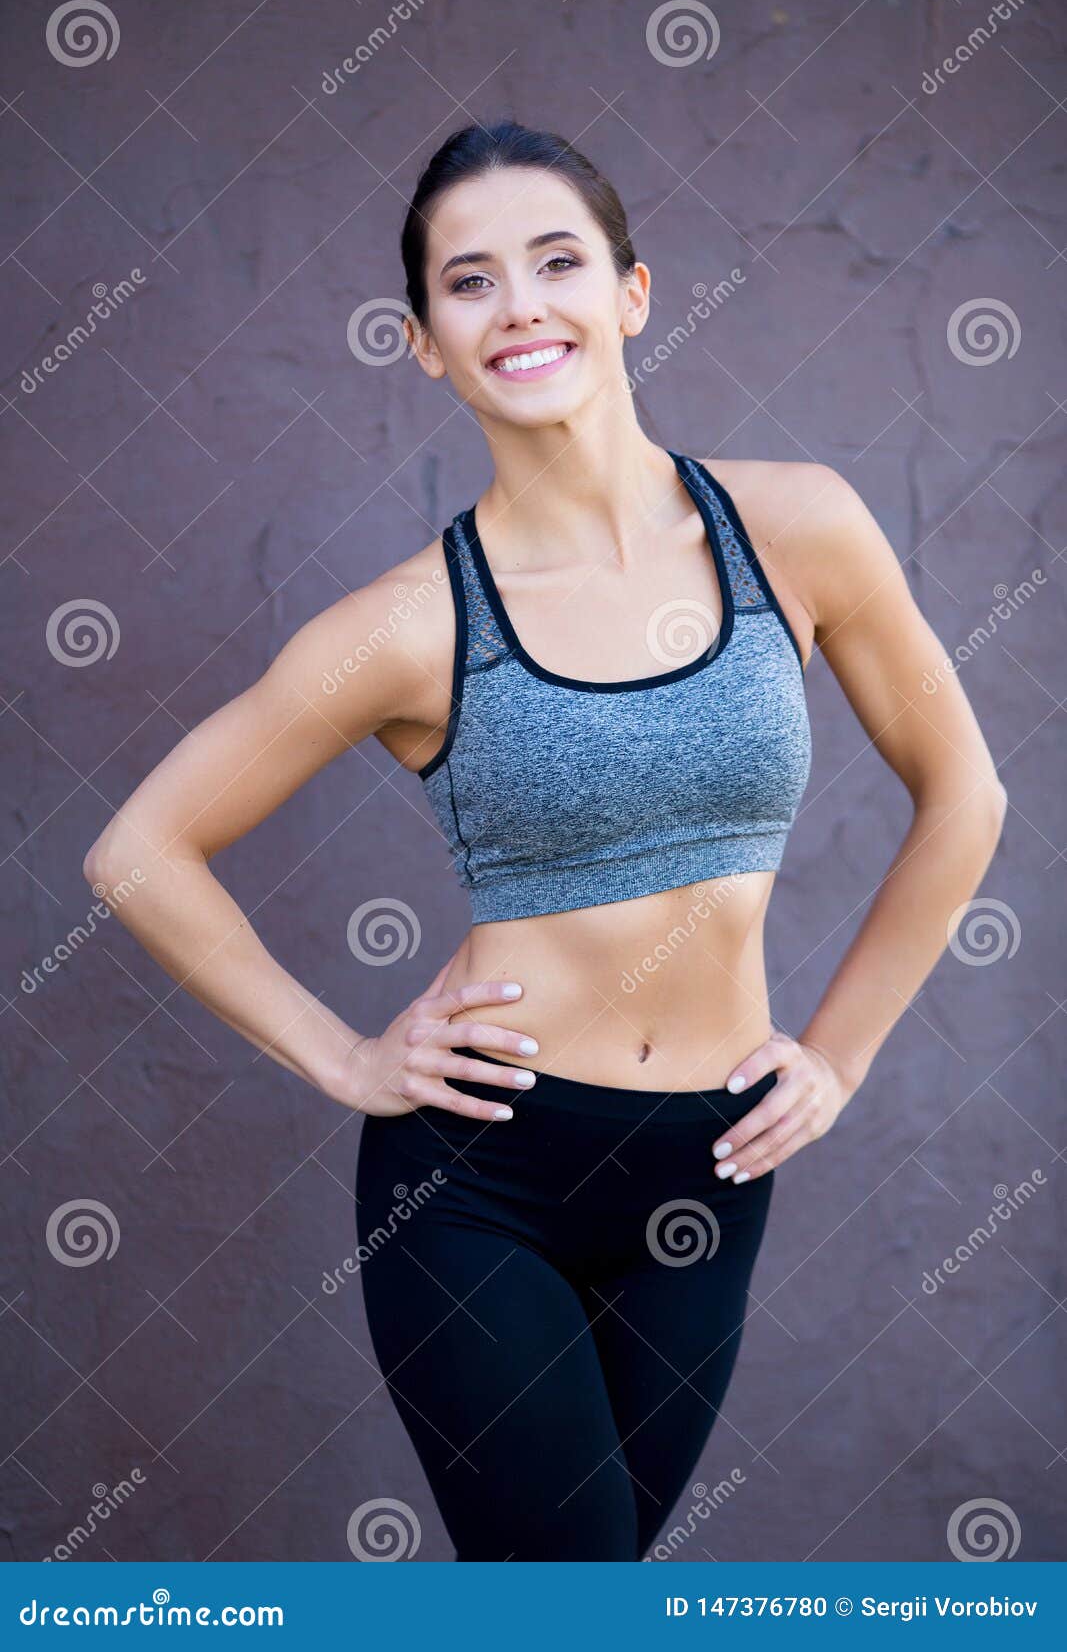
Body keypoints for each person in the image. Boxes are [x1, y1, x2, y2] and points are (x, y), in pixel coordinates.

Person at [83, 119, 1007, 1562]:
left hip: (709, 1169)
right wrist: (345, 1058)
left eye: (557, 260)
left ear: (632, 294)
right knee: (561, 1594)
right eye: (471, 281)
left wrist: (841, 1054)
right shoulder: (409, 623)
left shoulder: (798, 528)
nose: (520, 303)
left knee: (596, 1592)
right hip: (479, 1181)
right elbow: (137, 850)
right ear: (424, 343)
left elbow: (967, 794)